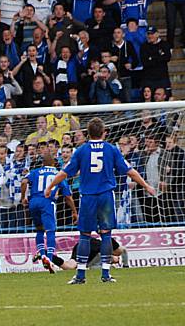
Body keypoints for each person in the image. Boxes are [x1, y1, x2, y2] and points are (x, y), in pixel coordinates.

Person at [45, 118, 156, 284]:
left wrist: (50, 187)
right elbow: (130, 171)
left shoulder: (81, 151)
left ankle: (80, 275)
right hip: (106, 197)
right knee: (106, 234)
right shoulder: (111, 149)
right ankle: (105, 273)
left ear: (88, 133)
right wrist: (146, 185)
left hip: (88, 197)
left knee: (84, 235)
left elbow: (64, 173)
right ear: (104, 132)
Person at [21, 153, 77, 273]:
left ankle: (42, 255)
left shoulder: (35, 171)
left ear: (42, 163)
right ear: (53, 163)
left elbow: (24, 182)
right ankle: (50, 259)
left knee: (40, 229)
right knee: (50, 231)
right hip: (47, 202)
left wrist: (23, 197)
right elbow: (67, 196)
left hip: (33, 202)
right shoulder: (58, 174)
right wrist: (74, 211)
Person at [51, 237, 129, 269]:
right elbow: (123, 251)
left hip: (81, 245)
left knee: (70, 266)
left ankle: (48, 255)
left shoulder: (101, 258)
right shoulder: (111, 253)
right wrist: (125, 266)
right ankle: (49, 256)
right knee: (71, 266)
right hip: (94, 248)